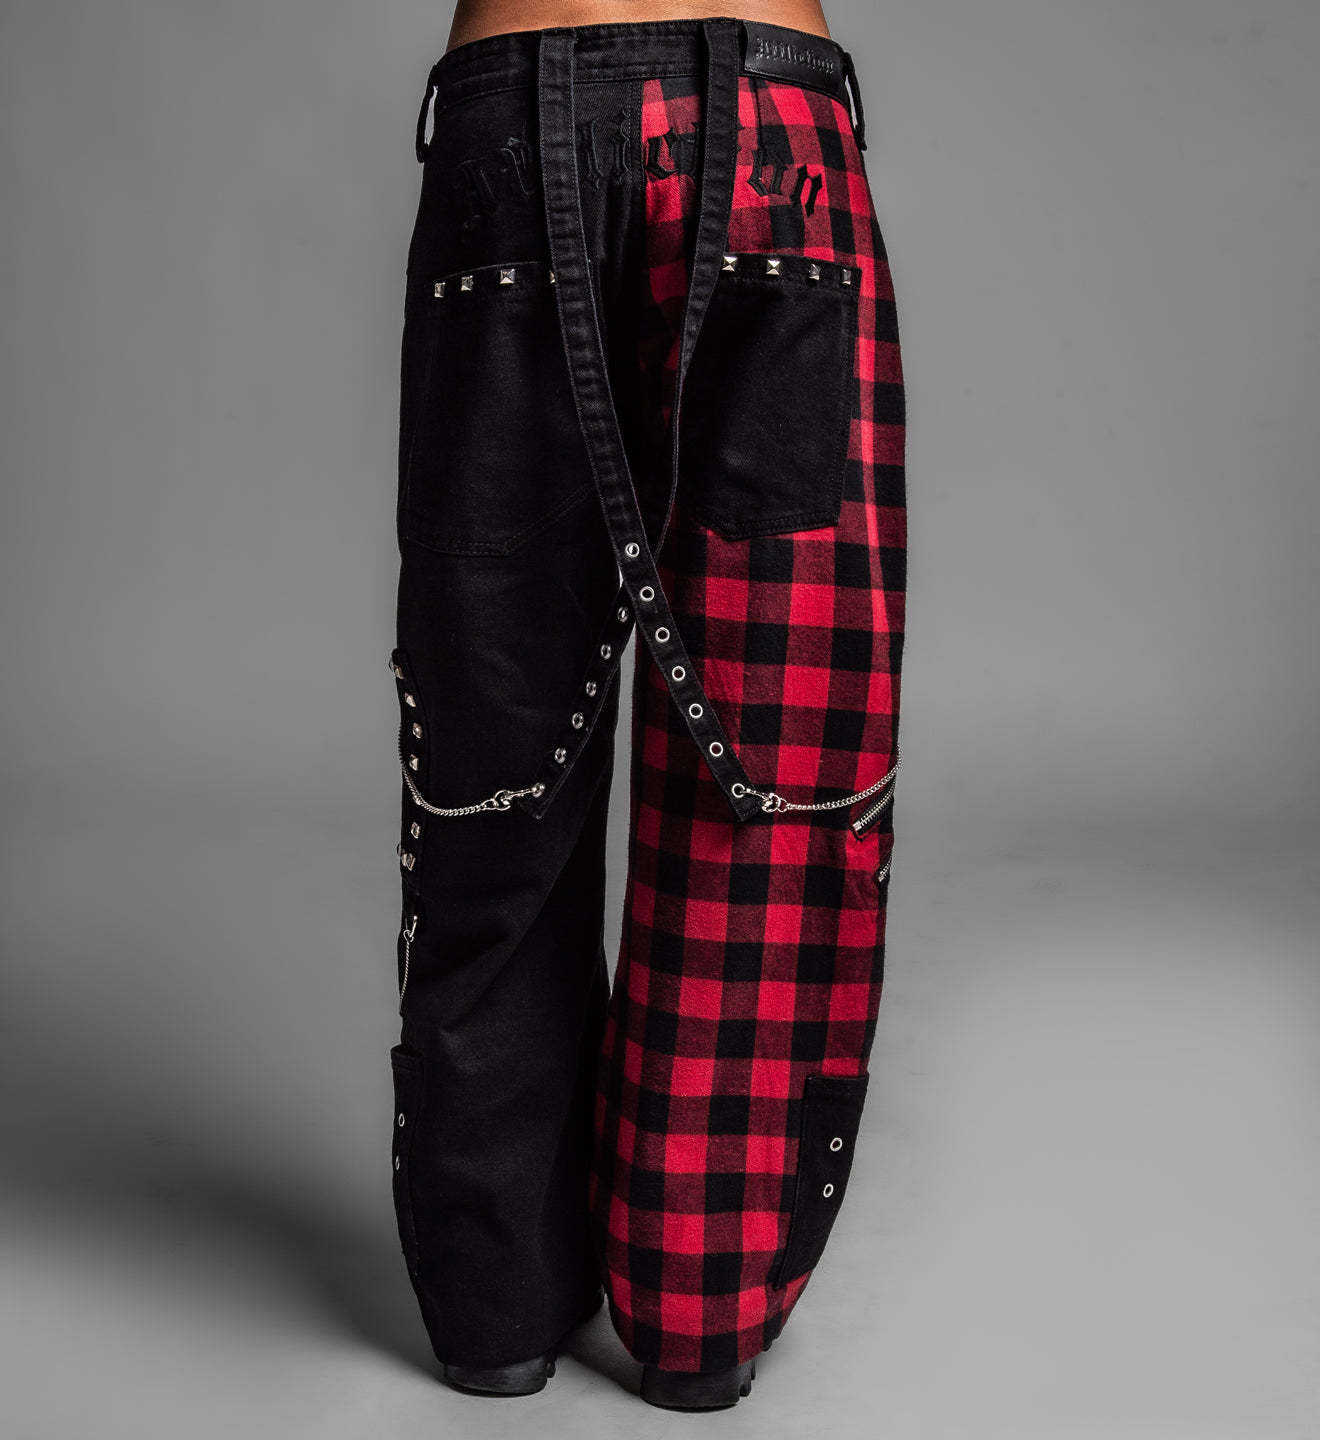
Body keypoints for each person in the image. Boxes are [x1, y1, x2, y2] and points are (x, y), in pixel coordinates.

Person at [387, 0, 906, 1412]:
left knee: (492, 772)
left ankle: (493, 1310)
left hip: (508, 117)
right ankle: (700, 1319)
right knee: (768, 776)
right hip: (775, 141)